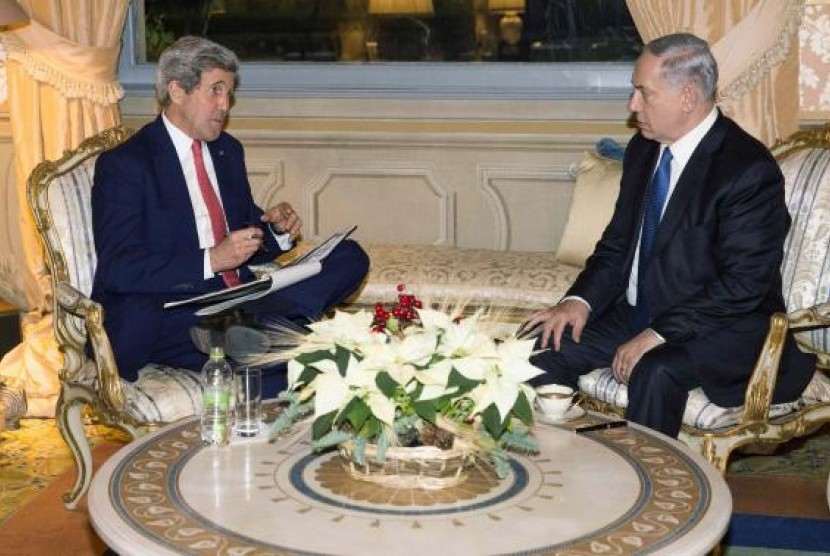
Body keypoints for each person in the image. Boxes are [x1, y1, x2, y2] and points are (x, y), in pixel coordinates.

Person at [522, 33, 816, 438]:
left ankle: (656, 490)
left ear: (688, 96)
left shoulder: (745, 169)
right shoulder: (645, 150)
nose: (632, 105)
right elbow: (617, 244)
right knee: (540, 351)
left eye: (644, 92)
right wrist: (578, 301)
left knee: (656, 369)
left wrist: (659, 334)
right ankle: (560, 470)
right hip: (642, 312)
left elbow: (743, 283)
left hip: (723, 327)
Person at [91, 36, 369, 394]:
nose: (225, 105)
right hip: (175, 309)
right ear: (177, 90)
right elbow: (119, 268)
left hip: (241, 298)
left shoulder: (226, 150)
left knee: (349, 256)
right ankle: (265, 329)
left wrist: (275, 232)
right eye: (215, 91)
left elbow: (245, 233)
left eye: (229, 93)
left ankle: (258, 324)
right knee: (312, 359)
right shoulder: (127, 164)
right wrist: (212, 260)